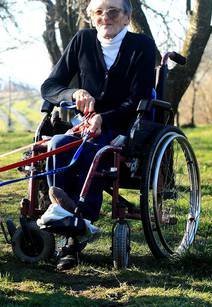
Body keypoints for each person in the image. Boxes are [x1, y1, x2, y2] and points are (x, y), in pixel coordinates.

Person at [40, 0, 157, 270]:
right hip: (85, 124)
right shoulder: (82, 40)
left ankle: (78, 227)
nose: (106, 17)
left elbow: (139, 99)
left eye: (113, 11)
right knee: (57, 144)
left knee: (95, 150)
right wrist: (73, 93)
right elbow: (50, 86)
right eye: (99, 12)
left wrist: (105, 117)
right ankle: (65, 213)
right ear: (92, 17)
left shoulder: (141, 46)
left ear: (127, 17)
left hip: (124, 126)